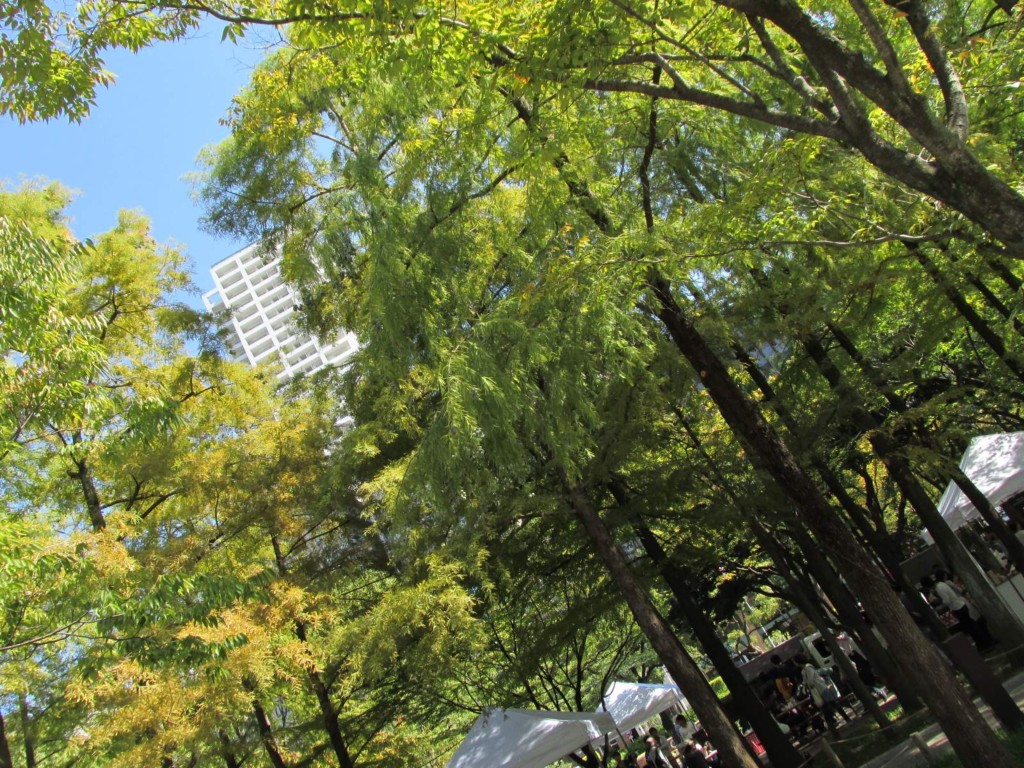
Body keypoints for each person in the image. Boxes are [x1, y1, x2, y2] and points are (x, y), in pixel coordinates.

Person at [797, 653, 851, 730]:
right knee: (827, 707)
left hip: (821, 688)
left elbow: (810, 681)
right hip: (818, 690)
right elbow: (806, 681)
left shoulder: (808, 668)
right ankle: (834, 724)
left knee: (832, 704)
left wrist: (806, 685)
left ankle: (842, 720)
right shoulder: (804, 670)